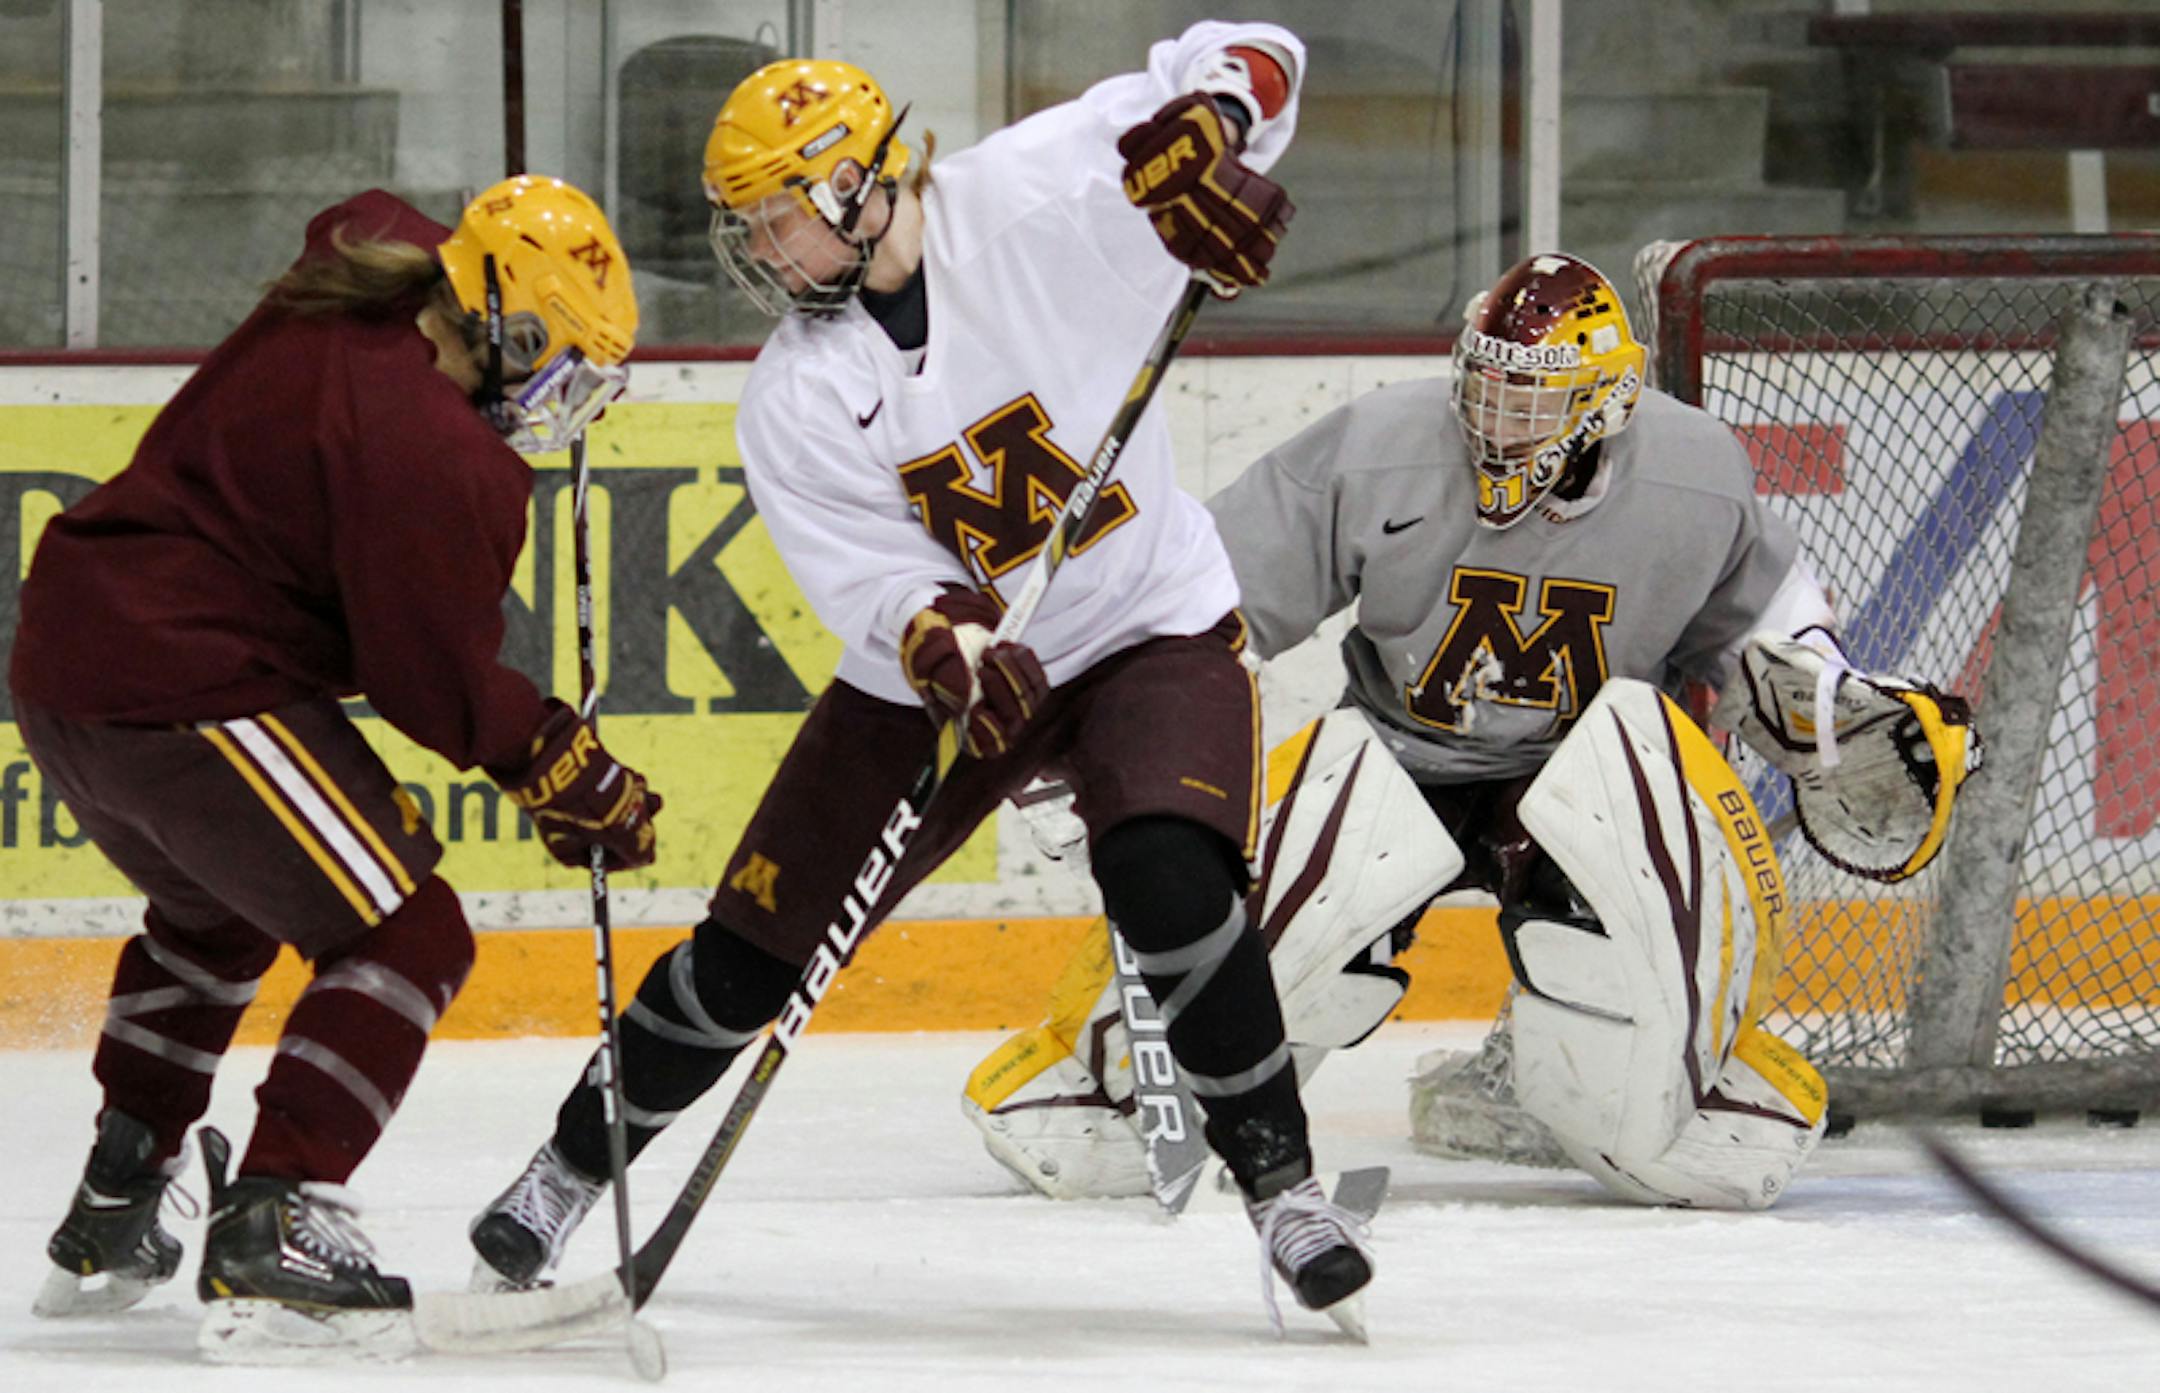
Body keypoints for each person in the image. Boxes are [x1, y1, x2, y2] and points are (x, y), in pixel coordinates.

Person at [467, 26, 1376, 1337]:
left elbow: (1250, 51)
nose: (763, 254)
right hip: (946, 674)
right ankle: (566, 1171)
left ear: (858, 186)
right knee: (748, 957)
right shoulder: (797, 393)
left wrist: (1215, 130)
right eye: (751, 227)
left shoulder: (1035, 196)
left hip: (1144, 624)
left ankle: (1285, 1194)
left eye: (782, 221)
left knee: (1171, 882)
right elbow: (871, 572)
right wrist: (944, 643)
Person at [965, 251, 1979, 1211]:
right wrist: (1096, 722)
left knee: (1642, 752)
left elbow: (1764, 637)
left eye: (1529, 398)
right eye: (1486, 388)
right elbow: (1196, 601)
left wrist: (1821, 698)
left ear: (1606, 404)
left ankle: (1686, 1087)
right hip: (1399, 759)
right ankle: (1119, 1080)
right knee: (1300, 879)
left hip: (1589, 782)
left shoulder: (1695, 473)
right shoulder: (1378, 449)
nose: (1496, 420)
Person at [19, 175, 661, 1362]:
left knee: (210, 916)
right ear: (508, 330)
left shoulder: (364, 265)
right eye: (564, 364)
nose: (568, 402)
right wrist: (559, 763)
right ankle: (273, 1219)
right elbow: (434, 685)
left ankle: (118, 1200)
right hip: (186, 680)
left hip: (63, 658)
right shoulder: (431, 453)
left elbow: (360, 207)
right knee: (410, 935)